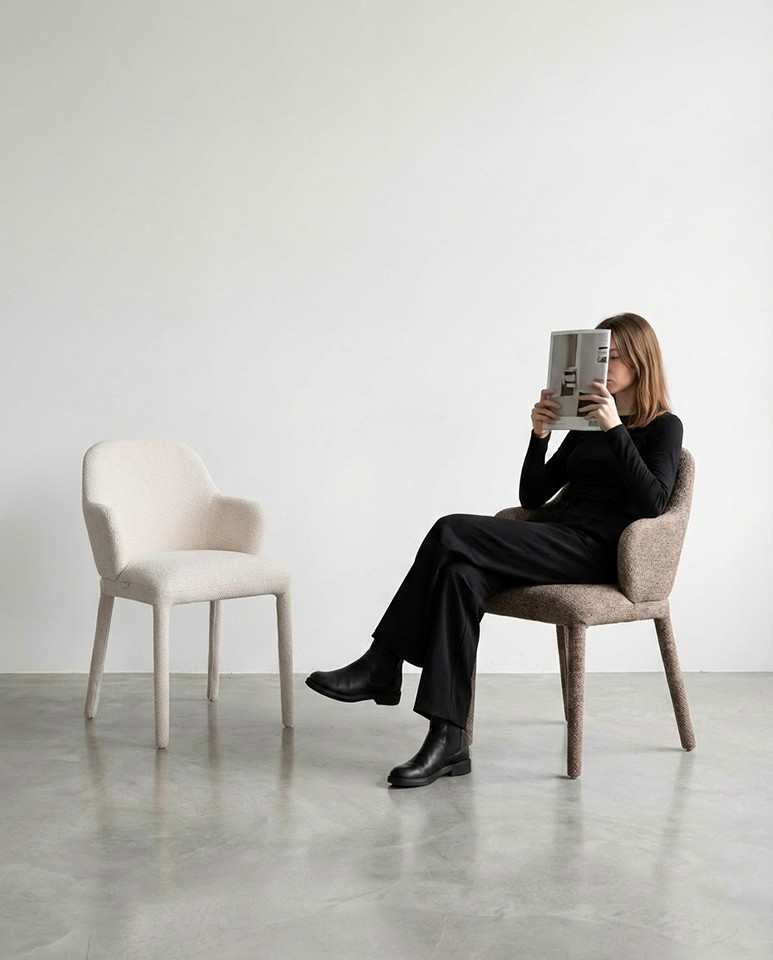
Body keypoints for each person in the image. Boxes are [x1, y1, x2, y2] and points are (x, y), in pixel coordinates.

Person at [306, 313, 683, 787]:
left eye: (617, 357)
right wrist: (540, 436)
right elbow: (533, 497)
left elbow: (654, 502)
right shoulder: (585, 425)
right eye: (601, 356)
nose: (606, 367)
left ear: (642, 362)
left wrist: (614, 429)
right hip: (557, 538)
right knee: (459, 576)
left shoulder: (664, 427)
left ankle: (384, 661)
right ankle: (448, 740)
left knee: (450, 530)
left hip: (600, 553)